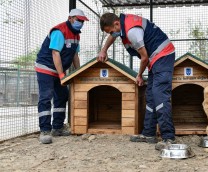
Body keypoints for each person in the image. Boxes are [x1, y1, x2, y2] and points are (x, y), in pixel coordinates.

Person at [97, 13, 176, 150]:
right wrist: (103, 50)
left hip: (162, 56)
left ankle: (169, 137)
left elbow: (144, 57)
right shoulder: (121, 25)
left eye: (111, 31)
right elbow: (112, 36)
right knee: (150, 96)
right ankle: (148, 134)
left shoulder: (132, 32)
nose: (112, 35)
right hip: (155, 59)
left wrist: (139, 75)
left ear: (116, 24)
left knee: (160, 95)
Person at [35, 9, 89, 144]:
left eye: (82, 21)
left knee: (62, 95)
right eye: (79, 20)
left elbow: (75, 56)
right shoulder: (60, 31)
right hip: (46, 67)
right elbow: (55, 54)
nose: (81, 23)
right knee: (46, 97)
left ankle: (57, 127)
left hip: (59, 69)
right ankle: (45, 130)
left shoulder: (76, 35)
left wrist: (79, 72)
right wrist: (61, 75)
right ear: (70, 18)